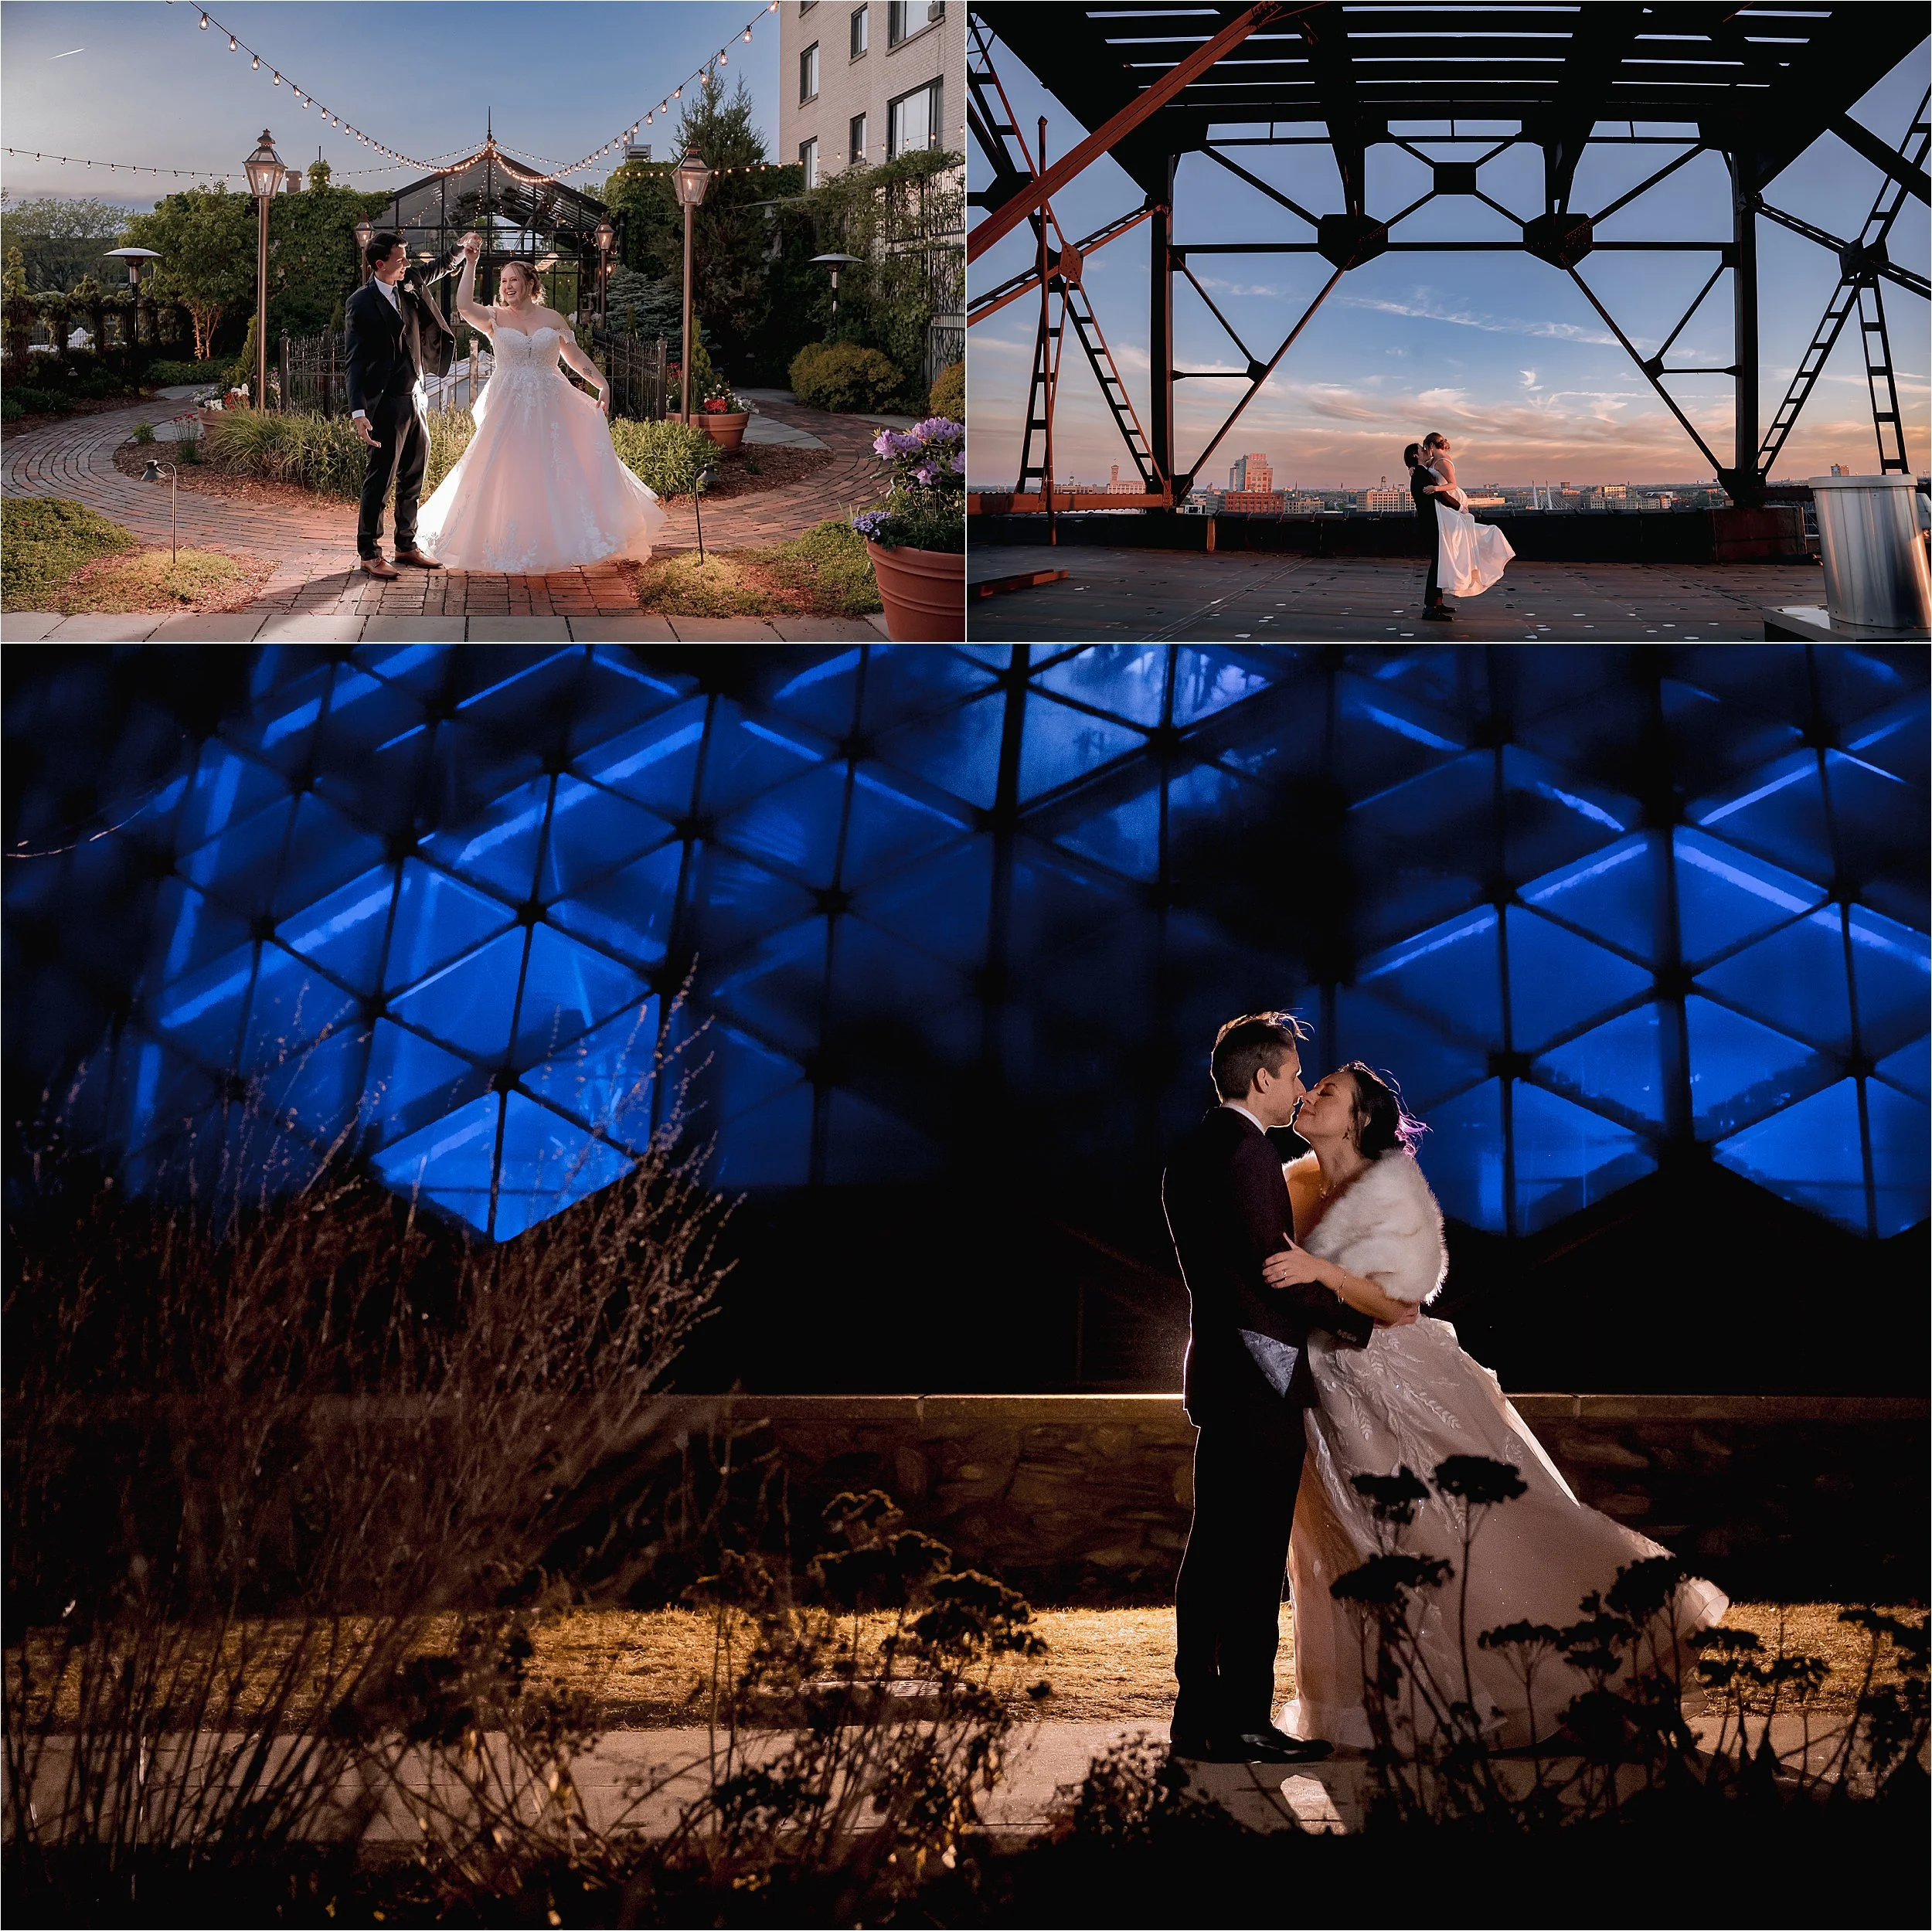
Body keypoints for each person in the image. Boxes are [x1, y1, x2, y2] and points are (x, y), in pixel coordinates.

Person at [1264, 1063, 1726, 1750]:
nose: (1309, 1094)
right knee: (1348, 1543)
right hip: (1325, 1392)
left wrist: (1322, 1271)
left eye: (1327, 1090)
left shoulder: (1392, 1188)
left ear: (1359, 1119)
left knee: (1462, 1529)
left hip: (1401, 1382)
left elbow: (1400, 1302)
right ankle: (1381, 1708)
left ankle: (1582, 1675)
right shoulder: (1291, 1182)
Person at [1159, 1014, 1418, 1766]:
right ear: (1263, 1078)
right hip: (1260, 1376)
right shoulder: (1247, 1155)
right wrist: (1362, 1317)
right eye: (1296, 1073)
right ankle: (1243, 1720)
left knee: (1212, 1553)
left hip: (1221, 1371)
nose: (1301, 1086)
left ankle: (1196, 1716)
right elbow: (1274, 1272)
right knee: (1250, 1557)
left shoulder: (1194, 1150)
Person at [410, 234, 668, 573]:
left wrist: (602, 384)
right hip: (509, 408)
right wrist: (471, 263)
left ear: (530, 283)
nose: (507, 286)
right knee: (509, 471)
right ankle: (510, 540)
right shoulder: (495, 317)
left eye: (513, 280)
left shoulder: (553, 319)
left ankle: (560, 538)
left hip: (551, 406)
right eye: (503, 281)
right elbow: (464, 306)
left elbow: (574, 357)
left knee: (555, 470)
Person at [345, 230, 460, 580]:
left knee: (413, 476)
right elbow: (354, 362)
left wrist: (460, 250)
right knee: (380, 479)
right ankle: (369, 553)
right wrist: (359, 412)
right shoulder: (361, 303)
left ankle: (406, 545)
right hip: (386, 402)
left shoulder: (408, 282)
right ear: (380, 264)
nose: (407, 264)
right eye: (400, 259)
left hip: (416, 398)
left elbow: (437, 267)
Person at [1410, 432, 1514, 614]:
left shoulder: (1443, 462)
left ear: (1432, 446)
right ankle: (1434, 604)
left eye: (1426, 447)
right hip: (1443, 508)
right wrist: (1412, 467)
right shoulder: (1431, 463)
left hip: (1449, 503)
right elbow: (1421, 467)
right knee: (1443, 556)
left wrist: (1438, 489)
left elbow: (1452, 484)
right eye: (1422, 450)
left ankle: (1435, 604)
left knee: (1448, 552)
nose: (1426, 451)